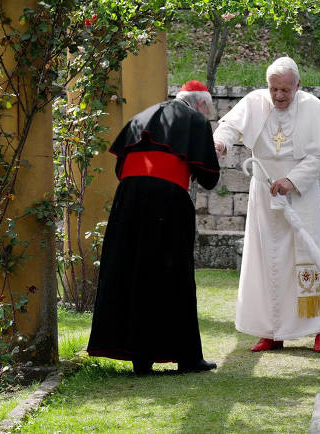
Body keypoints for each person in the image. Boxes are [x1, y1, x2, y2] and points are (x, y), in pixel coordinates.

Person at [87, 80, 221, 374]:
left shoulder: (142, 116)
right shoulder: (196, 120)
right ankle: (187, 358)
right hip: (167, 200)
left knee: (132, 270)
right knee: (174, 274)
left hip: (128, 199)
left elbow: (121, 167)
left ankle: (140, 357)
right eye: (207, 109)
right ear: (200, 104)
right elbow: (210, 178)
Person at [213, 57, 320, 353]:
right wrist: (220, 143)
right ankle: (271, 330)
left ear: (298, 85)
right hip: (264, 193)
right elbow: (229, 126)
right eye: (274, 89)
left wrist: (292, 180)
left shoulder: (312, 107)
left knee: (308, 257)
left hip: (300, 195)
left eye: (285, 89)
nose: (279, 96)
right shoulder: (255, 102)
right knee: (267, 262)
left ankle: (319, 329)